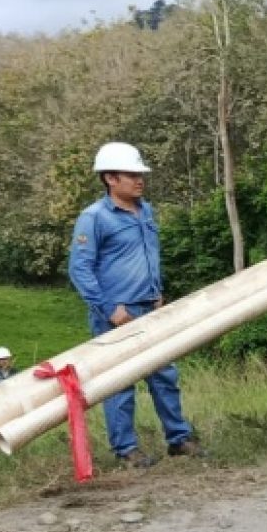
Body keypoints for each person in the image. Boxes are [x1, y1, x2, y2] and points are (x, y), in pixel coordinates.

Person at [68, 142, 203, 468]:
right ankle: (126, 450)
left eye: (140, 174)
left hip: (149, 309)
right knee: (119, 384)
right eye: (131, 175)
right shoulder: (94, 218)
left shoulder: (147, 211)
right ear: (110, 178)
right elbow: (79, 269)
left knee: (165, 376)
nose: (139, 180)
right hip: (116, 315)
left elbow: (147, 257)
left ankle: (179, 439)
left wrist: (157, 292)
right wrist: (109, 309)